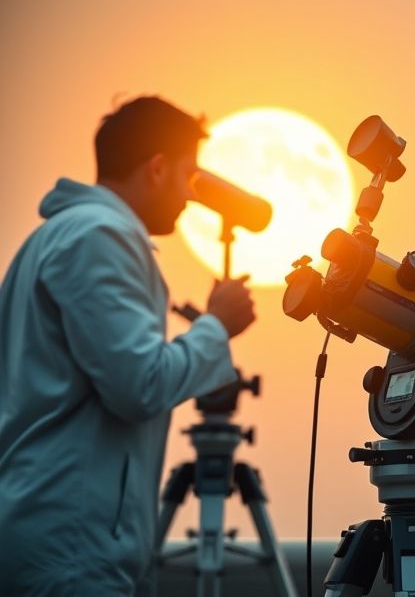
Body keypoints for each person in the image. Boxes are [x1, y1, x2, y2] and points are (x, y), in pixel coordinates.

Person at [0, 96, 256, 595]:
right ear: (157, 169)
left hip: (41, 528)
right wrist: (216, 326)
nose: (190, 197)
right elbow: (140, 385)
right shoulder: (100, 237)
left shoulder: (52, 237)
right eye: (187, 176)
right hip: (71, 546)